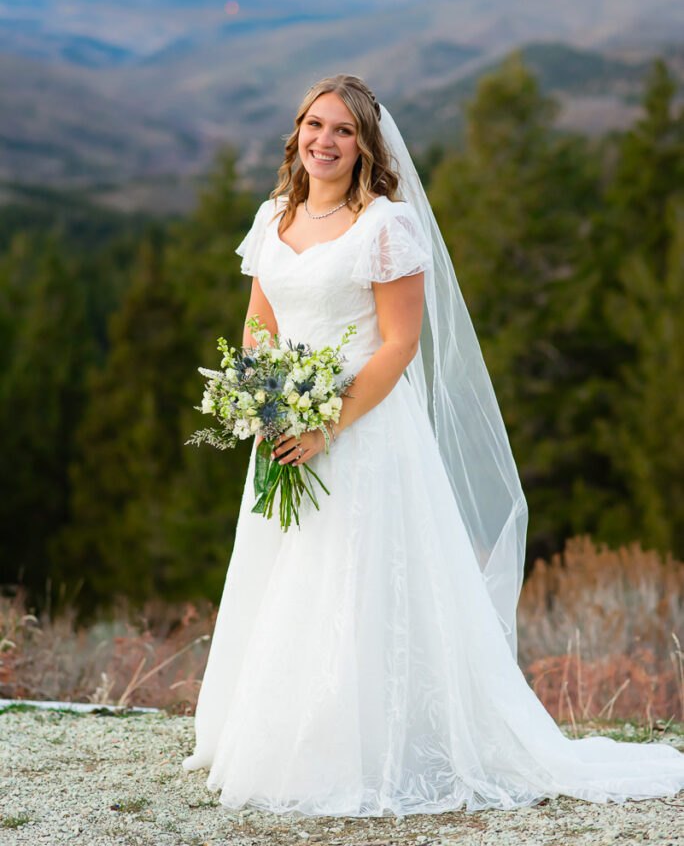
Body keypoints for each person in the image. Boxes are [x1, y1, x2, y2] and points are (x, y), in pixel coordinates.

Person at [183, 74, 684, 816]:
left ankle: (366, 747)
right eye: (315, 124)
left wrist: (326, 423)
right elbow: (260, 321)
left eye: (344, 130)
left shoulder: (385, 226)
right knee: (287, 575)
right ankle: (275, 734)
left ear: (366, 145)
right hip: (285, 428)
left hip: (362, 434)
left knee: (356, 580)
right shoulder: (273, 216)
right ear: (297, 132)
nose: (326, 140)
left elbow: (399, 343)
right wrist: (264, 399)